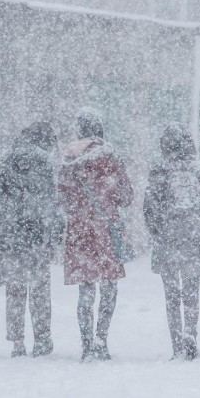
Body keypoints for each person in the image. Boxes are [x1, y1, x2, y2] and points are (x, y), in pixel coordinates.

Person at [58, 108, 133, 362]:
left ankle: (86, 344)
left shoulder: (68, 158)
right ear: (99, 128)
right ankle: (102, 340)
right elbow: (126, 197)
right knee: (109, 286)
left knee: (85, 288)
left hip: (80, 230)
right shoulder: (110, 157)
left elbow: (63, 198)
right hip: (105, 229)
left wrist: (80, 210)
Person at [143, 123, 200, 361]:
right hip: (194, 240)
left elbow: (149, 209)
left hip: (168, 240)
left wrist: (158, 234)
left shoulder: (160, 170)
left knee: (172, 296)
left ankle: (177, 347)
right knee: (191, 293)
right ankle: (190, 337)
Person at [0, 121, 64, 358]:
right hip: (37, 236)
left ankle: (18, 342)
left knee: (15, 289)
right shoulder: (44, 161)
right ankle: (41, 339)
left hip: (11, 235)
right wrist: (53, 231)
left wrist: (0, 228)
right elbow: (50, 200)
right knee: (40, 289)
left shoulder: (5, 158)